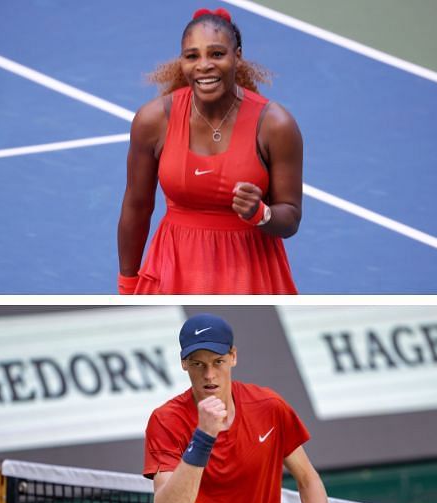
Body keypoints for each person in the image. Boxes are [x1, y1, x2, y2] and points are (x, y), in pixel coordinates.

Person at [142, 313, 331, 503]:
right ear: (184, 364)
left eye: (217, 362)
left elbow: (307, 479)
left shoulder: (269, 408)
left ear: (233, 357)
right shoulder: (166, 420)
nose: (209, 375)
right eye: (198, 364)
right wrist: (204, 436)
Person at [117, 8, 303, 294]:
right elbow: (137, 207)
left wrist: (260, 213)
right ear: (182, 61)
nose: (204, 65)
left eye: (216, 54)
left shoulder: (275, 125)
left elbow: (290, 217)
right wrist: (127, 285)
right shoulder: (153, 120)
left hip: (250, 276)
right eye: (192, 56)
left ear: (237, 56)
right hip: (174, 270)